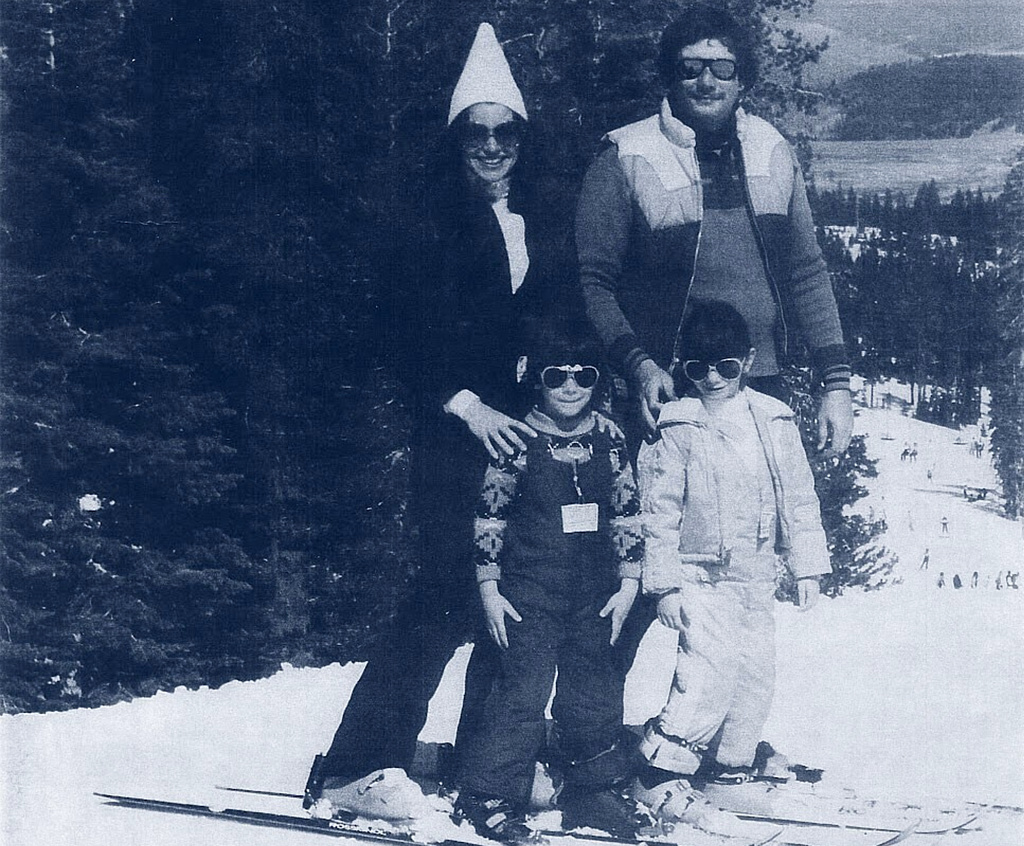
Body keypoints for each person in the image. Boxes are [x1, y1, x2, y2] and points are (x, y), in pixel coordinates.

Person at [303, 24, 581, 819]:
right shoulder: (429, 221)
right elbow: (398, 331)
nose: (491, 147)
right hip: (458, 433)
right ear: (455, 140)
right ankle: (354, 767)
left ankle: (486, 763)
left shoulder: (534, 215)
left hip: (521, 434)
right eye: (476, 133)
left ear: (523, 138)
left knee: (510, 596)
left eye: (505, 132)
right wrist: (467, 403)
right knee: (445, 594)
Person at [575, 3, 853, 456]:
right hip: (666, 387)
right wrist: (639, 366)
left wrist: (836, 385)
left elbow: (808, 273)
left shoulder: (773, 150)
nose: (708, 82)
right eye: (691, 68)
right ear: (670, 75)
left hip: (761, 385)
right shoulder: (626, 155)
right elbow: (593, 283)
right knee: (666, 522)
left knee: (761, 523)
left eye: (723, 69)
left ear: (742, 80)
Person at [632, 301, 830, 823]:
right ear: (683, 367)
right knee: (707, 670)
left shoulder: (773, 418)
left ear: (747, 359)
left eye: (726, 366)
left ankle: (727, 767)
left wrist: (807, 563)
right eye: (698, 368)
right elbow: (658, 511)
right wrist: (665, 584)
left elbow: (799, 496)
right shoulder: (678, 425)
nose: (713, 379)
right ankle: (660, 771)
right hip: (700, 572)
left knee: (754, 672)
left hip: (756, 571)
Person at [454, 321, 647, 842]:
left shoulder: (609, 438)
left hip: (594, 592)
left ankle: (590, 790)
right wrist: (489, 588)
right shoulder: (517, 438)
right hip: (527, 593)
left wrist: (629, 582)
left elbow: (628, 513)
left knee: (595, 689)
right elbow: (489, 518)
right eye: (556, 375)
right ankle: (487, 792)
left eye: (584, 376)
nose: (570, 387)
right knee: (523, 689)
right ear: (534, 378)